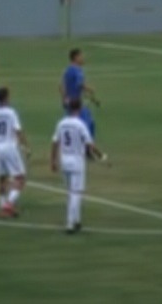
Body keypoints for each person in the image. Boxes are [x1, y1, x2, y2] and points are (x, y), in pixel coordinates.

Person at [50, 99, 107, 234]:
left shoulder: (61, 123)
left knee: (71, 192)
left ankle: (77, 220)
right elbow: (89, 144)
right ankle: (70, 223)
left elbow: (55, 142)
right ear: (79, 109)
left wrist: (53, 160)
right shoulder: (80, 124)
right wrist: (101, 155)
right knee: (76, 193)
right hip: (77, 162)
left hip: (64, 161)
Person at [0, 87, 29, 217]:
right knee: (20, 178)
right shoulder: (11, 112)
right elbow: (17, 130)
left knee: (2, 178)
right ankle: (8, 204)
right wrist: (25, 146)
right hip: (9, 147)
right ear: (6, 98)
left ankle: (2, 208)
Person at [60, 48, 100, 137]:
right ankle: (86, 143)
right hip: (75, 103)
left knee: (70, 124)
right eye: (81, 56)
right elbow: (79, 85)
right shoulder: (77, 70)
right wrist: (89, 89)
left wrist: (64, 99)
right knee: (87, 124)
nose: (83, 58)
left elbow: (63, 86)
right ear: (76, 57)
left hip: (71, 102)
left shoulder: (67, 70)